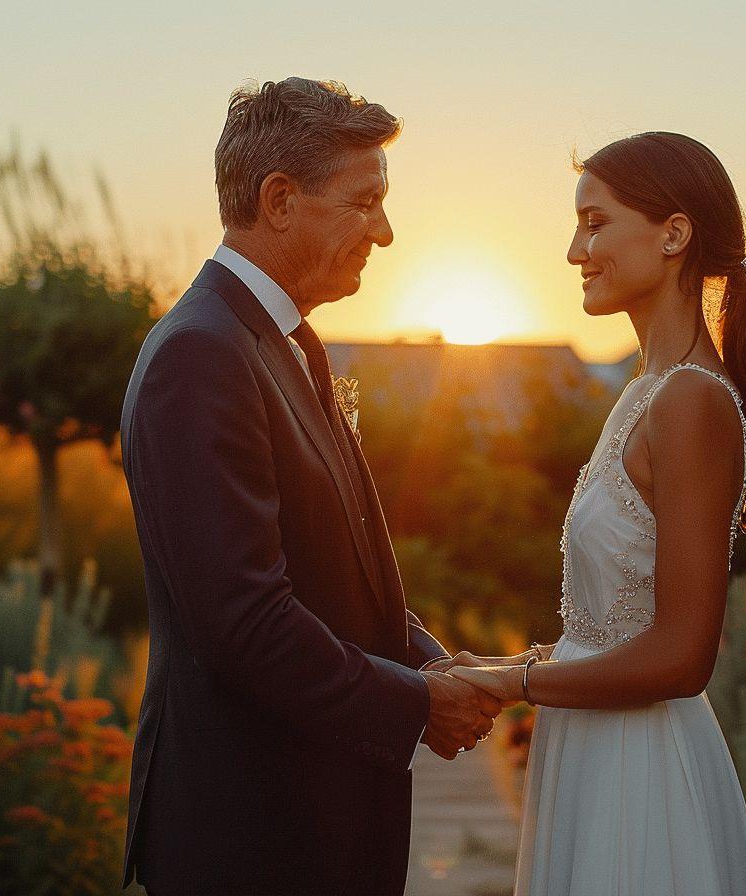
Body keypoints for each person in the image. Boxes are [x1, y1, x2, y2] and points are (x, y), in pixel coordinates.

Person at [118, 77, 503, 896]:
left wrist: (432, 665)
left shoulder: (282, 340)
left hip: (313, 822)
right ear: (280, 199)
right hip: (252, 836)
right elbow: (243, 620)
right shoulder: (201, 356)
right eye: (364, 203)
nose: (386, 232)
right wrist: (415, 706)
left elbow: (338, 573)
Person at [448, 132, 746, 895]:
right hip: (593, 747)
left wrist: (520, 682)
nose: (576, 249)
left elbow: (681, 656)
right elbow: (614, 621)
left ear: (674, 235)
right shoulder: (648, 392)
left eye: (596, 222)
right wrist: (508, 665)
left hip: (641, 774)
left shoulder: (694, 403)